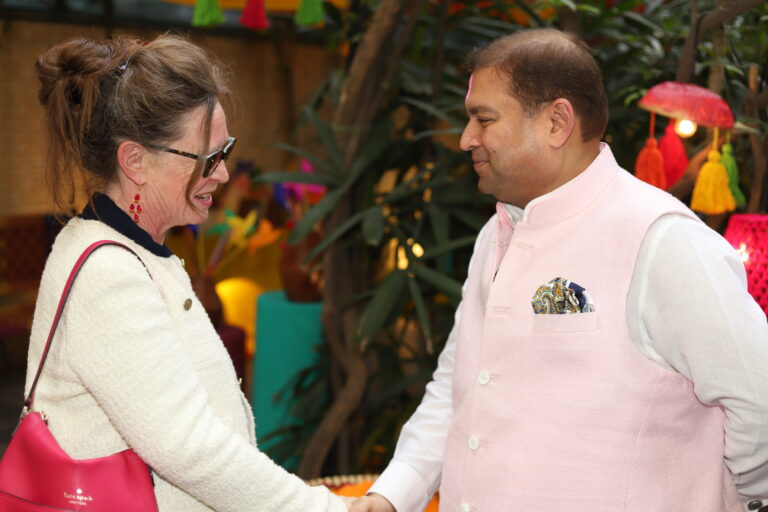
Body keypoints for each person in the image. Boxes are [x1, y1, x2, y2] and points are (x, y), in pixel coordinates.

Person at [351, 28, 768, 512]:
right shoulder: (497, 233)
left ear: (556, 122)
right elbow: (459, 387)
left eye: (483, 119)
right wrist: (391, 495)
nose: (467, 140)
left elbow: (759, 402)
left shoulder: (662, 240)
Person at [27, 35, 350, 512]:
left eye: (226, 150)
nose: (222, 174)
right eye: (207, 158)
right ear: (135, 161)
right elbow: (191, 448)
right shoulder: (108, 273)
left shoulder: (131, 248)